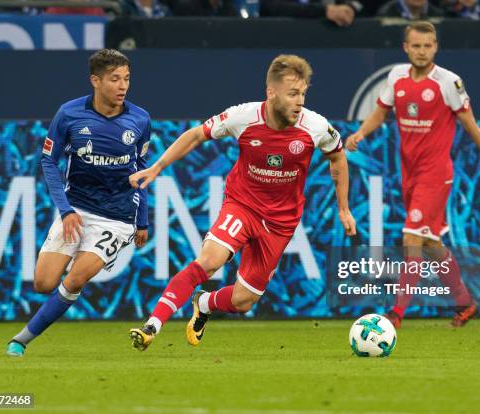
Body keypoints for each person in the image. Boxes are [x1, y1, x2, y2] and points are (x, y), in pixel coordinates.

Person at [129, 54, 356, 351]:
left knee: (243, 301)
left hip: (281, 223)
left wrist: (343, 207)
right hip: (242, 205)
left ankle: (205, 303)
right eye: (292, 94)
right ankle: (152, 326)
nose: (299, 101)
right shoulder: (244, 116)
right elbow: (197, 135)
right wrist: (157, 167)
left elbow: (337, 156)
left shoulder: (315, 126)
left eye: (302, 93)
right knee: (209, 261)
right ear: (271, 92)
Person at [346, 22, 480, 328]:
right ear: (406, 48)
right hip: (408, 174)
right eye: (416, 46)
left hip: (435, 174)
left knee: (411, 238)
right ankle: (465, 303)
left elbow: (471, 125)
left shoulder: (448, 82)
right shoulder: (396, 76)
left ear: (435, 47)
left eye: (427, 46)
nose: (422, 52)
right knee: (431, 245)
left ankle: (395, 315)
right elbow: (380, 112)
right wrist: (360, 133)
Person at [6, 49, 151, 357]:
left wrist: (142, 221)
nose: (122, 86)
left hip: (116, 217)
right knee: (44, 283)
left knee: (75, 279)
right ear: (95, 81)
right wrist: (66, 211)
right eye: (114, 79)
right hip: (77, 209)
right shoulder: (69, 114)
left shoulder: (140, 119)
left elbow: (141, 171)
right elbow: (49, 163)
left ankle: (20, 341)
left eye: (126, 79)